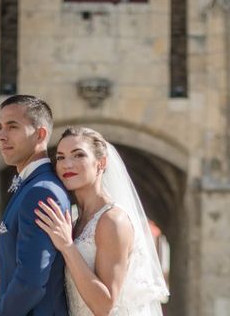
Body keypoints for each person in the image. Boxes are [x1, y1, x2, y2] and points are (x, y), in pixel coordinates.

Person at [35, 127, 169, 316]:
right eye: (61, 157)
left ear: (101, 163)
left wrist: (67, 246)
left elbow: (104, 305)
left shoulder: (113, 221)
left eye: (78, 155)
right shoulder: (72, 221)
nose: (67, 164)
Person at [0, 95, 71, 316]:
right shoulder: (30, 186)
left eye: (12, 127)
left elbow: (31, 283)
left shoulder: (41, 191)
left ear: (40, 134)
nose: (2, 136)